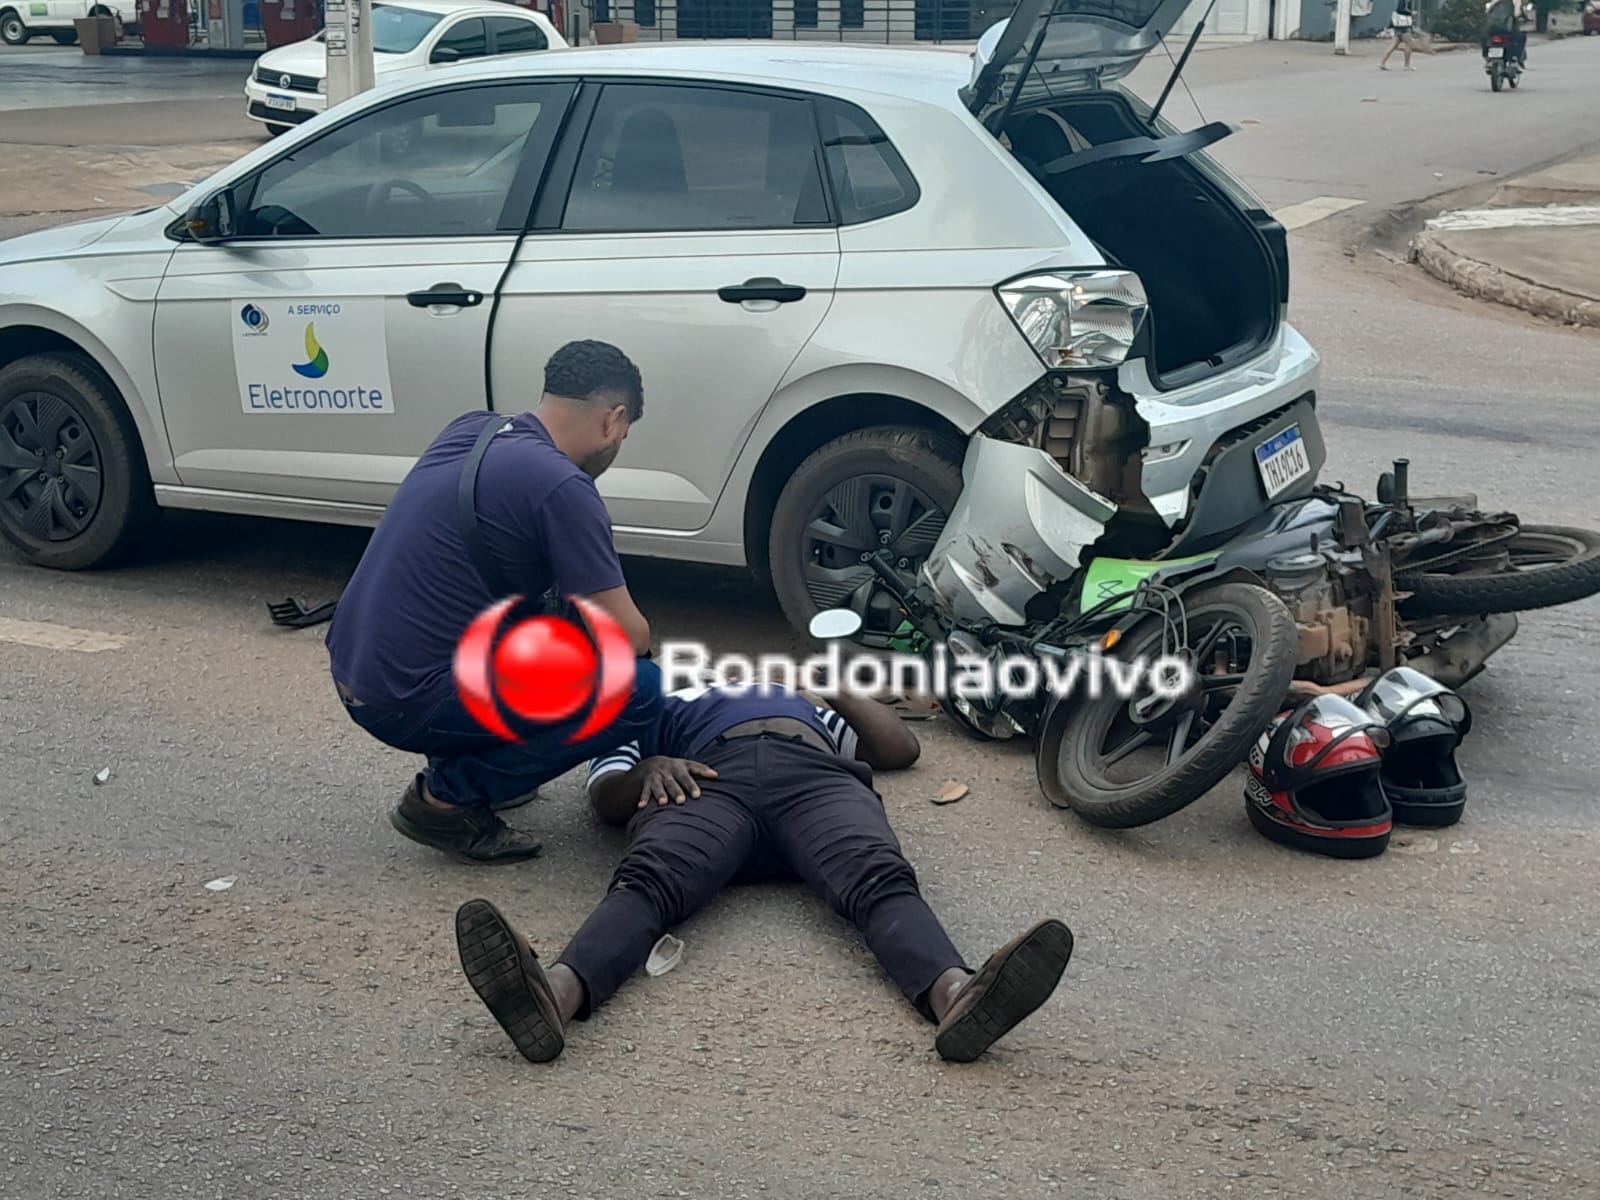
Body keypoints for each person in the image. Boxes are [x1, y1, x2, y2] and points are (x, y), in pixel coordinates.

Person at [452, 680, 1076, 1065]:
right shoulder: (652, 707)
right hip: (702, 783)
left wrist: (836, 688)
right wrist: (648, 770)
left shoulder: (809, 711)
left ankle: (957, 998)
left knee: (879, 878)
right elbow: (604, 794)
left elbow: (899, 750)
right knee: (649, 882)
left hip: (812, 781)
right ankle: (550, 998)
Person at [326, 341, 662, 866]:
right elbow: (629, 637)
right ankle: (448, 797)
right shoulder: (563, 487)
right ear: (612, 418)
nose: (620, 441)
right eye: (625, 430)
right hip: (407, 696)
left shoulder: (473, 429)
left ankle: (483, 761)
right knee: (638, 689)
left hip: (358, 669)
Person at [1483, 0, 1528, 66]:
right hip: (1508, 30)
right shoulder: (1516, 1)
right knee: (1521, 38)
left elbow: (1487, 11)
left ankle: (1487, 58)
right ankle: (1518, 58)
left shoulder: (1495, 1)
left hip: (1493, 29)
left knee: (1485, 38)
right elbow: (1517, 13)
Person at [1381, 0, 1421, 70]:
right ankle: (1407, 65)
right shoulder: (1404, 1)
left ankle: (1382, 62)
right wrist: (1411, 13)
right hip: (1404, 26)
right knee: (1409, 44)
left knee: (1393, 45)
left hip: (1398, 27)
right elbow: (1401, 10)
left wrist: (1391, 26)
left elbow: (1398, 11)